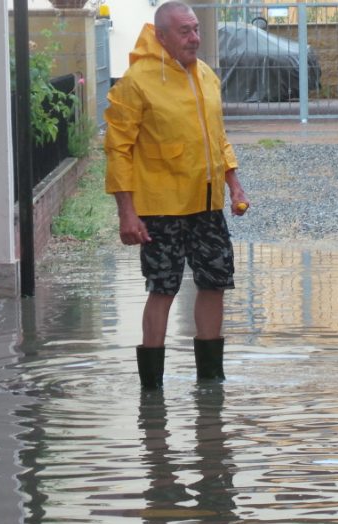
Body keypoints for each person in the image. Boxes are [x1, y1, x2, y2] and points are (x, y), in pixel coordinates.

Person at [104, 1, 249, 390]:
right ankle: (152, 387)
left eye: (196, 29)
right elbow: (118, 149)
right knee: (163, 287)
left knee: (215, 280)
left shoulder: (205, 75)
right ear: (161, 35)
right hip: (160, 208)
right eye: (184, 31)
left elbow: (216, 138)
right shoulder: (137, 81)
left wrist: (233, 183)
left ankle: (211, 378)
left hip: (205, 204)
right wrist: (127, 213)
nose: (195, 38)